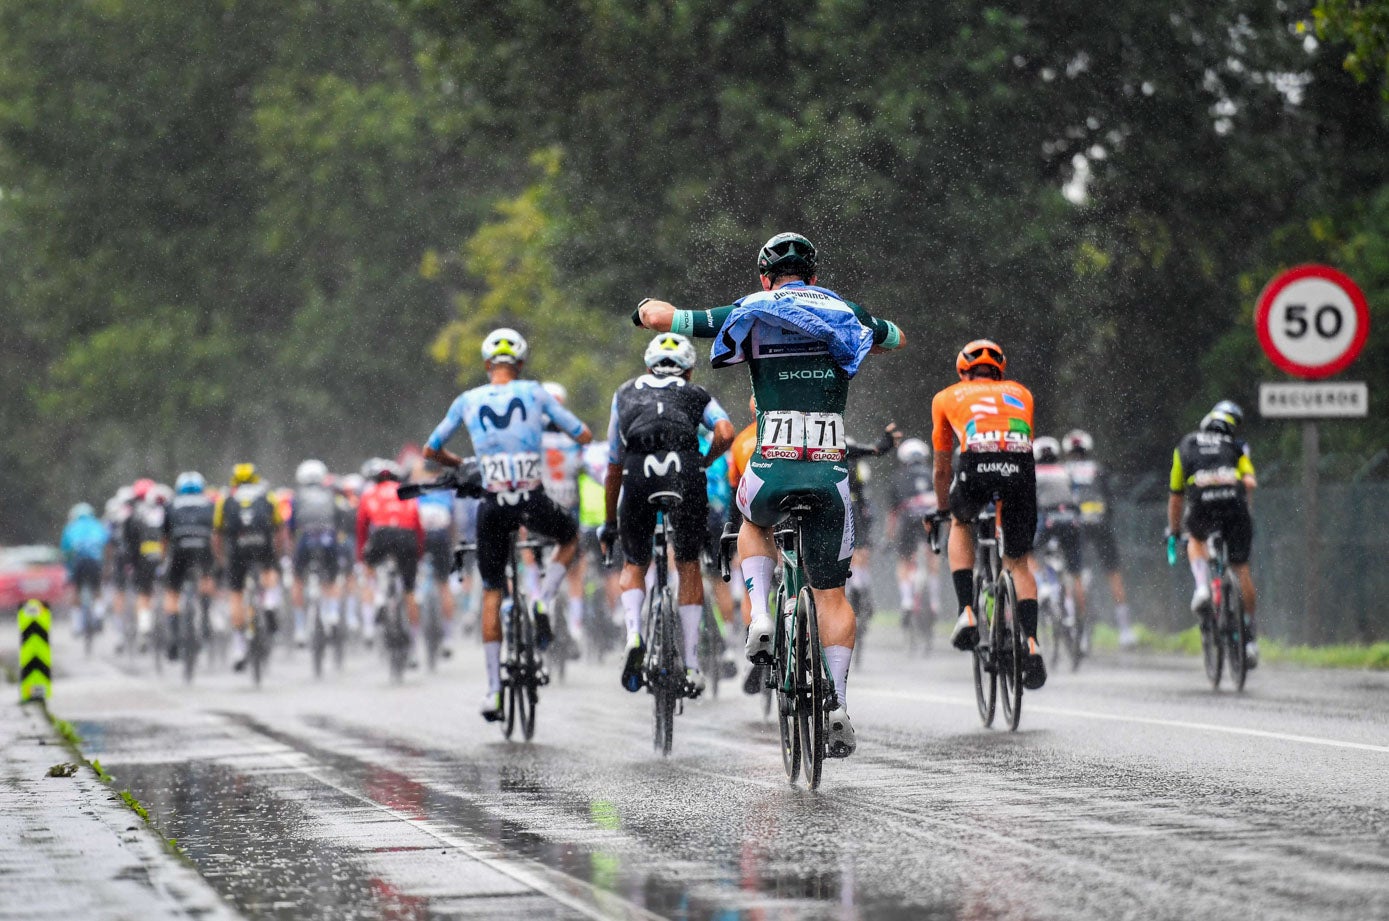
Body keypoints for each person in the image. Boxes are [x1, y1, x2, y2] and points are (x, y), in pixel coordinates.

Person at [635, 231, 905, 757]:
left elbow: (667, 319)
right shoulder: (843, 310)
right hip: (830, 473)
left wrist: (645, 307)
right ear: (814, 274)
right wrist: (867, 329)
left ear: (765, 276)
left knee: (750, 520)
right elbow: (894, 336)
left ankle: (759, 614)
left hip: (772, 467)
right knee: (832, 595)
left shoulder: (751, 309)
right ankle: (840, 705)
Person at [422, 328, 593, 721]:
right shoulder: (535, 392)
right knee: (568, 538)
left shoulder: (468, 399)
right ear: (519, 364)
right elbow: (582, 433)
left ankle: (493, 692)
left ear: (487, 365)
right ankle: (543, 597)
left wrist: (464, 463)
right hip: (532, 499)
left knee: (492, 592)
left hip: (493, 503)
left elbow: (431, 450)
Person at [597, 332, 734, 696]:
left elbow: (613, 464)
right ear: (688, 370)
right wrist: (708, 458)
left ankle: (633, 634)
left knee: (634, 565)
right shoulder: (696, 392)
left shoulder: (625, 392)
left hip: (638, 473)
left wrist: (610, 522)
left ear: (648, 367)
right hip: (684, 471)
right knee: (688, 563)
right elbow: (725, 430)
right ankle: (690, 666)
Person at [930, 339, 1047, 690]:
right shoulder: (1022, 393)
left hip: (975, 465)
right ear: (1000, 369)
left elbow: (941, 466)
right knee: (1018, 561)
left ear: (962, 370)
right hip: (1019, 468)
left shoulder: (947, 397)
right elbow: (1013, 449)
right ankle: (1032, 643)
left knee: (961, 522)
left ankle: (966, 612)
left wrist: (942, 510)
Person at [1166, 400, 1259, 666]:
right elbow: (1250, 482)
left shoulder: (1186, 445)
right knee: (1241, 570)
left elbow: (1176, 496)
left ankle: (1202, 589)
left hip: (1202, 505)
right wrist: (1244, 512)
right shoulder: (1235, 447)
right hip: (1235, 505)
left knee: (1195, 538)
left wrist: (1174, 531)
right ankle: (1249, 638)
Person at [1063, 429, 1135, 647]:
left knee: (1075, 574)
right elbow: (1109, 500)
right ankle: (1125, 630)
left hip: (1076, 525)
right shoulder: (1098, 469)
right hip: (1100, 522)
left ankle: (1081, 632)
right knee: (1113, 573)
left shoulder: (1063, 470)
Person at [214, 463, 285, 671]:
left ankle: (238, 648)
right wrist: (278, 555)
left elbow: (217, 532)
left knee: (236, 594)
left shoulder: (226, 497)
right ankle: (270, 602)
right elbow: (279, 526)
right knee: (269, 572)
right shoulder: (267, 494)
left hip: (237, 548)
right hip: (262, 543)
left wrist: (220, 560)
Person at [356, 459, 425, 656]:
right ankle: (414, 642)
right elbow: (418, 525)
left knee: (369, 575)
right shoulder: (407, 491)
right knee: (410, 590)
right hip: (407, 537)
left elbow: (362, 526)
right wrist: (418, 553)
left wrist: (362, 558)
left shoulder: (370, 493)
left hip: (382, 535)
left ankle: (372, 616)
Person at [539, 381, 588, 656]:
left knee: (531, 557)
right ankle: (576, 625)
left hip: (540, 510)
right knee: (575, 573)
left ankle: (536, 596)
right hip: (569, 511)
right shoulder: (574, 435)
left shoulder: (532, 436)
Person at [843, 423, 902, 632]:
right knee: (861, 551)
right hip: (857, 506)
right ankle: (861, 589)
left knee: (841, 555)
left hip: (834, 504)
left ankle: (852, 590)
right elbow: (864, 487)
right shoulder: (857, 462)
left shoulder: (832, 453)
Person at [289, 459, 348, 647]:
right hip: (328, 539)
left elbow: (291, 526)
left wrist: (291, 547)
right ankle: (332, 612)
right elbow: (340, 521)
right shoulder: (331, 494)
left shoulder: (297, 497)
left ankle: (299, 628)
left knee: (297, 579)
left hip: (306, 539)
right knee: (332, 579)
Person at [1032, 437, 1085, 641]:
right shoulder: (1066, 471)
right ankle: (1078, 622)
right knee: (1075, 574)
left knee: (1027, 552)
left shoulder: (1033, 473)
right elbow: (1076, 497)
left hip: (1047, 520)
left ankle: (1043, 585)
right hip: (1071, 520)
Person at [885, 437, 940, 631]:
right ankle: (934, 602)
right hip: (929, 519)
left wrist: (888, 537)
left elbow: (893, 513)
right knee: (932, 558)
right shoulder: (933, 474)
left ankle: (907, 601)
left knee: (904, 561)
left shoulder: (898, 477)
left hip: (907, 520)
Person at [161, 472, 216, 660]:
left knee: (172, 591)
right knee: (207, 578)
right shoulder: (209, 503)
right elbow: (216, 530)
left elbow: (164, 537)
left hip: (179, 546)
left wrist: (163, 560)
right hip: (203, 545)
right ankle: (206, 617)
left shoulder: (171, 504)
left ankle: (173, 636)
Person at [122, 478, 167, 651]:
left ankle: (144, 627)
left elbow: (128, 543)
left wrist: (131, 564)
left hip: (143, 558)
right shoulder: (163, 509)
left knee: (144, 593)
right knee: (171, 590)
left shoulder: (132, 514)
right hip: (163, 556)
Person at [61, 503, 108, 637]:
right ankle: (99, 615)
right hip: (95, 562)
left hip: (79, 563)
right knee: (97, 589)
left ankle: (77, 626)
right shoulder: (98, 525)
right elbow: (105, 544)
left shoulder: (71, 527)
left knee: (76, 590)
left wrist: (69, 568)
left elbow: (65, 550)